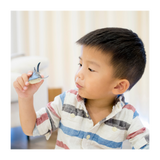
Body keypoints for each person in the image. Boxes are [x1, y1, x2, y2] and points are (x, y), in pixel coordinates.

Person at [13, 27, 152, 152]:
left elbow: (145, 145)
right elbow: (31, 128)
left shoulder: (128, 117)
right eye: (80, 63)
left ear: (118, 86)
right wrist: (26, 97)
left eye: (90, 69)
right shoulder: (66, 102)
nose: (79, 73)